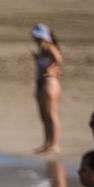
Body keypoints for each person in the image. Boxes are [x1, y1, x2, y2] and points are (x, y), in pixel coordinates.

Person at [31, 24, 63, 154]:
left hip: (50, 82)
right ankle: (47, 143)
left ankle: (54, 144)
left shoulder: (50, 47)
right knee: (44, 115)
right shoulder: (42, 49)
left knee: (51, 114)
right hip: (41, 82)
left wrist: (54, 70)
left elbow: (58, 59)